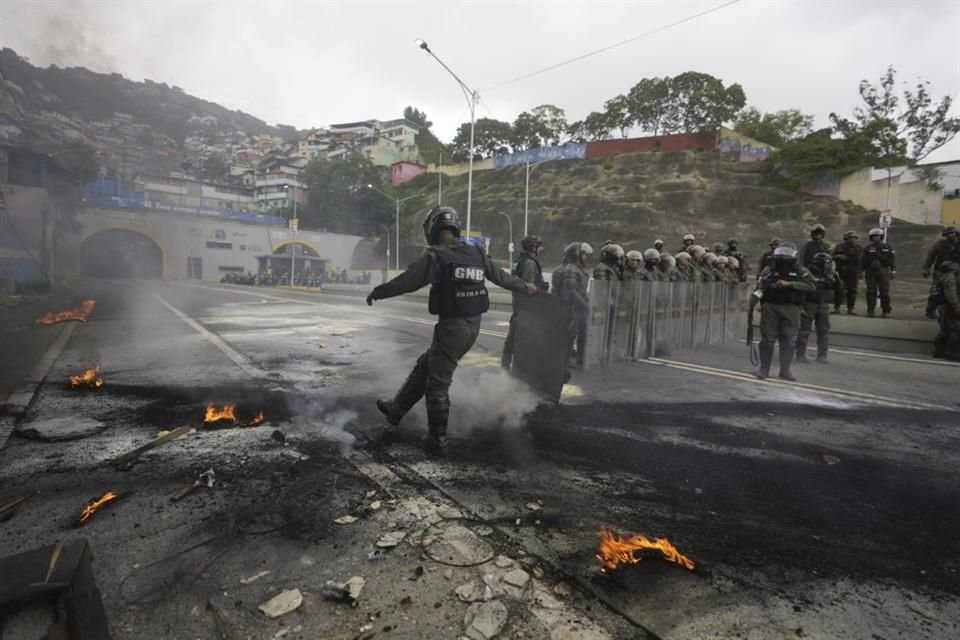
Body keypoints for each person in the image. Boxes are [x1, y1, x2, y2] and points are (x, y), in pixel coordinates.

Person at [367, 206, 537, 452]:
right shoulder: (476, 252)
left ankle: (438, 440)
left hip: (452, 327)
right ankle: (397, 409)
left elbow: (407, 281)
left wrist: (378, 292)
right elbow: (501, 277)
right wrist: (526, 287)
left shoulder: (437, 256)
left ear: (433, 229)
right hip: (473, 326)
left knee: (437, 383)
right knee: (426, 364)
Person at [753, 242, 815, 380]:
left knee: (788, 340)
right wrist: (753, 302)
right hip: (770, 306)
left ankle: (785, 371)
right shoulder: (768, 270)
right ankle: (764, 369)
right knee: (767, 340)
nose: (783, 257)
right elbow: (760, 286)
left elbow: (811, 286)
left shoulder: (800, 271)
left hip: (791, 308)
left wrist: (790, 284)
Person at [501, 234, 549, 369]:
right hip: (527, 309)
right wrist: (542, 289)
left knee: (511, 342)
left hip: (519, 308)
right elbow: (528, 288)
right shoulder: (529, 263)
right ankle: (517, 375)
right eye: (539, 246)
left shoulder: (519, 261)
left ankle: (504, 372)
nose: (541, 249)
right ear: (533, 247)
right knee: (523, 344)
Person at [553, 242, 593, 367]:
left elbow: (580, 290)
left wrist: (588, 301)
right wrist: (584, 304)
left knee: (583, 332)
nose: (586, 257)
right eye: (584, 254)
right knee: (570, 333)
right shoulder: (571, 269)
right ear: (577, 255)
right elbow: (571, 291)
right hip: (572, 307)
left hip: (579, 306)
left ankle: (580, 357)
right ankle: (567, 358)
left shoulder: (580, 269)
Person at [796, 252, 833, 364]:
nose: (828, 265)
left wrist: (832, 278)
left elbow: (836, 289)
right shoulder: (807, 273)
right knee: (804, 330)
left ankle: (822, 355)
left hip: (822, 304)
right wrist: (800, 306)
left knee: (823, 330)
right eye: (827, 263)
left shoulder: (826, 274)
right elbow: (801, 290)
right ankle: (800, 354)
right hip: (809, 304)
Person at [922, 225, 960, 319]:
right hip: (940, 272)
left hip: (956, 272)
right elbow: (931, 256)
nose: (951, 235)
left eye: (952, 233)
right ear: (945, 235)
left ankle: (954, 310)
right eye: (948, 234)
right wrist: (926, 268)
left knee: (954, 291)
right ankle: (930, 310)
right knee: (935, 292)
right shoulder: (940, 244)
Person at [860, 228, 896, 318]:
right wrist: (860, 271)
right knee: (871, 291)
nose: (876, 238)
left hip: (883, 271)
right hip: (870, 271)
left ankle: (885, 311)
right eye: (874, 236)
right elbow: (862, 261)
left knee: (884, 292)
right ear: (871, 238)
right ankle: (870, 310)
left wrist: (893, 271)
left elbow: (892, 261)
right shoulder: (867, 248)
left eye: (878, 236)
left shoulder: (888, 247)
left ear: (881, 237)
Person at [932, 261, 960, 360]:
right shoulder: (950, 279)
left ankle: (939, 350)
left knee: (945, 330)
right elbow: (951, 294)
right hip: (948, 307)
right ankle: (953, 352)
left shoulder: (942, 277)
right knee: (955, 329)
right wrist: (956, 307)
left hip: (942, 307)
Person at [831, 231, 862, 315]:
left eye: (854, 238)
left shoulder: (859, 248)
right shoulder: (839, 247)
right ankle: (836, 308)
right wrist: (838, 256)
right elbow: (830, 257)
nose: (853, 239)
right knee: (839, 290)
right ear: (846, 238)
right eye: (851, 237)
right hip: (841, 271)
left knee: (852, 291)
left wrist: (860, 272)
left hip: (853, 272)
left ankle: (850, 309)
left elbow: (862, 261)